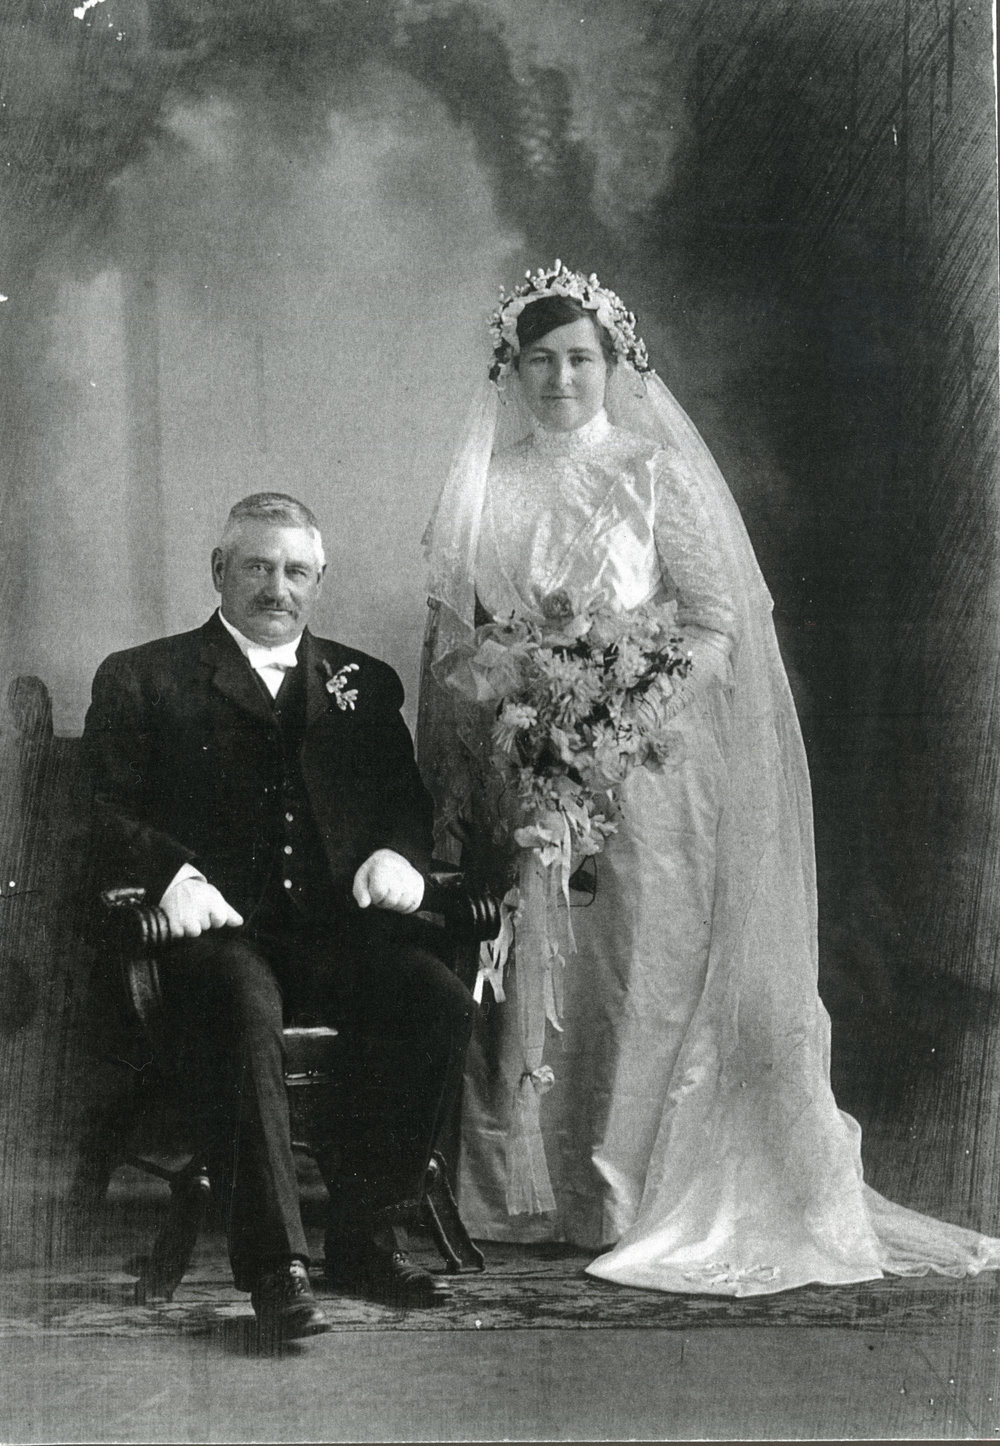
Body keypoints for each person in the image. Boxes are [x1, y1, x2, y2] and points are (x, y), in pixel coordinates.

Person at [418, 261, 1000, 1296]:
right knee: (538, 967)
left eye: (579, 360)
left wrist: (615, 697)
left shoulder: (653, 473)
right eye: (540, 362)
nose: (559, 381)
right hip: (529, 766)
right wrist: (519, 705)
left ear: (612, 367)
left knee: (641, 969)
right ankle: (527, 1197)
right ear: (512, 372)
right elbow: (461, 643)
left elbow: (718, 626)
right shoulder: (487, 483)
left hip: (649, 771)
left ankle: (629, 1195)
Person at [84, 492, 475, 1338]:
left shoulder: (362, 683)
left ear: (320, 579)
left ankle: (368, 1237)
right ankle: (275, 1267)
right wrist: (170, 872)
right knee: (244, 1003)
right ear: (219, 570)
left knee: (436, 999)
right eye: (258, 566)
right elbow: (99, 813)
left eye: (296, 570)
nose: (277, 586)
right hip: (219, 937)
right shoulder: (143, 676)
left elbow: (404, 806)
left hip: (336, 937)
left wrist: (397, 855)